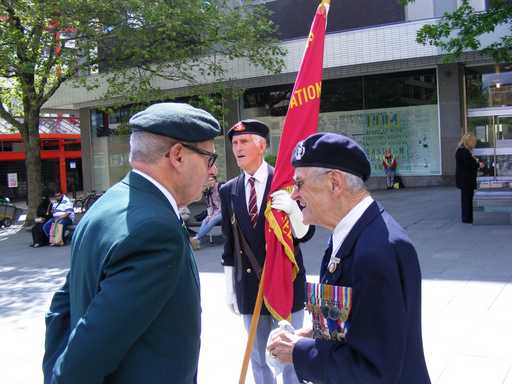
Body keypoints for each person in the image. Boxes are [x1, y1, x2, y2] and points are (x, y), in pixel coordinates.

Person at [42, 102, 220, 384]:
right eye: (210, 158)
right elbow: (89, 348)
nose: (214, 170)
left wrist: (54, 373)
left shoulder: (106, 205)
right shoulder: (156, 230)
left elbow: (60, 312)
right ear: (177, 155)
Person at [268, 132, 431, 384]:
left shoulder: (378, 250)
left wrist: (299, 351)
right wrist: (313, 334)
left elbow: (374, 369)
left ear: (335, 183)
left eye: (299, 184)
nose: (293, 195)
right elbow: (360, 322)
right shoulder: (351, 233)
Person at [219, 119, 314, 384]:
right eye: (235, 143)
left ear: (261, 146)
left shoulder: (285, 182)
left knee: (290, 353)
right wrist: (230, 289)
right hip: (250, 286)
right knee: (258, 358)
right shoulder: (229, 190)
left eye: (244, 141)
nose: (237, 148)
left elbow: (305, 234)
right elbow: (229, 245)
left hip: (285, 281)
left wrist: (295, 211)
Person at [455, 133, 483, 224]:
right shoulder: (464, 151)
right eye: (473, 142)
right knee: (467, 199)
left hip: (464, 180)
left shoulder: (462, 150)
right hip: (466, 180)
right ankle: (467, 218)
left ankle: (467, 217)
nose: (474, 144)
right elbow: (469, 164)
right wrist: (478, 164)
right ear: (469, 142)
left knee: (466, 199)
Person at [190, 175, 222, 250]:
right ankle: (197, 241)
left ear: (215, 181)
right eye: (209, 181)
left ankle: (196, 237)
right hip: (215, 212)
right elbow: (209, 205)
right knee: (205, 220)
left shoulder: (219, 188)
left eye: (212, 180)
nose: (210, 182)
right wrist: (210, 215)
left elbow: (223, 203)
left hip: (223, 211)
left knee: (213, 220)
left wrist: (214, 215)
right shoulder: (208, 191)